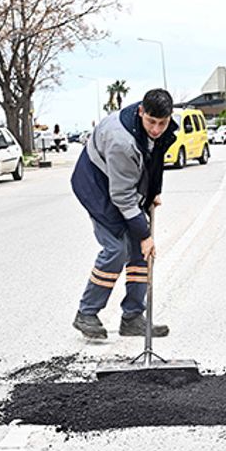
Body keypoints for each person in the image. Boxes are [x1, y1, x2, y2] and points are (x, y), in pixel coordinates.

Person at [70, 88, 178, 339]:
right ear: (141, 111)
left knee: (142, 251)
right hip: (97, 186)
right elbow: (121, 197)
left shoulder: (163, 128)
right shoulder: (121, 140)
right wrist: (144, 234)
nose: (156, 129)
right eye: (151, 122)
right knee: (117, 249)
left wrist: (152, 194)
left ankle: (132, 318)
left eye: (162, 123)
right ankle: (86, 313)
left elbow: (154, 163)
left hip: (122, 184)